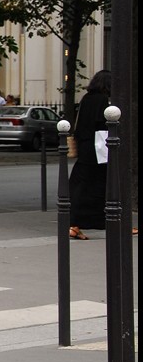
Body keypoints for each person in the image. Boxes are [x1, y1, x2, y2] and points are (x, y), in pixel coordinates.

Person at [68, 70, 111, 240]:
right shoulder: (103, 100)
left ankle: (74, 224)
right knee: (99, 185)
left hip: (85, 146)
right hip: (97, 148)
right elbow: (102, 125)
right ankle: (103, 221)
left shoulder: (86, 98)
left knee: (82, 184)